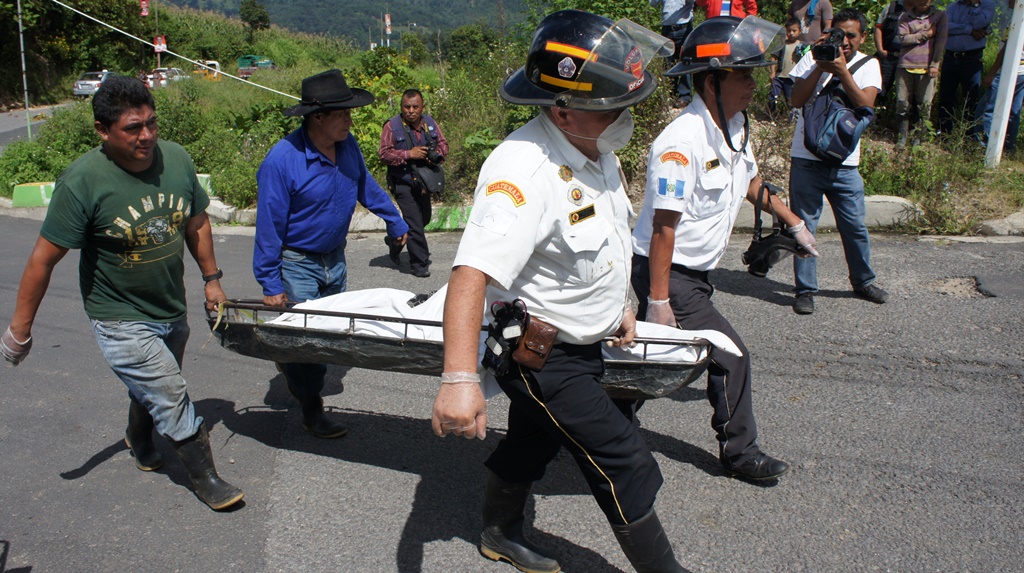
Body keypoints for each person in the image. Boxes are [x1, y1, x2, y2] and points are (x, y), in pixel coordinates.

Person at [429, 10, 688, 573]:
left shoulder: (595, 150)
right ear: (563, 109)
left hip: (579, 345)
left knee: (534, 438)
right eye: (614, 107)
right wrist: (458, 381)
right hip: (540, 354)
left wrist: (621, 304)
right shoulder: (523, 169)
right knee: (624, 461)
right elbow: (469, 275)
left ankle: (499, 532)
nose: (627, 118)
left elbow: (610, 237)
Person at [0, 75, 244, 511]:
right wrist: (20, 329)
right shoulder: (83, 182)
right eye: (133, 128)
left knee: (152, 384)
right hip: (118, 313)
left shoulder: (177, 160)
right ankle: (205, 476)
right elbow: (42, 259)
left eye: (151, 123)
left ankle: (138, 434)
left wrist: (212, 278)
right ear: (102, 130)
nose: (147, 136)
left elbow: (197, 222)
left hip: (169, 307)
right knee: (168, 388)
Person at [632, 16, 813, 485]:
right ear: (711, 81)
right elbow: (663, 227)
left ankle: (602, 416)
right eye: (743, 74)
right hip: (666, 270)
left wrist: (793, 222)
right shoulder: (680, 143)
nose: (754, 83)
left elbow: (751, 183)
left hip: (692, 275)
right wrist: (658, 300)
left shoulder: (734, 128)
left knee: (657, 359)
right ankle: (740, 451)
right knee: (730, 355)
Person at [254, 69, 409, 438]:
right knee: (311, 341)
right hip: (297, 263)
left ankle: (291, 359)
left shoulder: (347, 145)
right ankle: (312, 410)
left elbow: (364, 186)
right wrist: (270, 282)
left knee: (328, 334)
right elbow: (269, 226)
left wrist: (394, 220)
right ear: (317, 117)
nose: (349, 120)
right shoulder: (282, 160)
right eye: (342, 114)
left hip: (334, 259)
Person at [789, 8, 888, 315]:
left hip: (845, 163)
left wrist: (843, 71)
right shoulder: (812, 57)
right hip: (806, 158)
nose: (843, 41)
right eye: (838, 34)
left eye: (851, 36)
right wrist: (820, 65)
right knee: (804, 227)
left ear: (861, 38)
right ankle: (805, 289)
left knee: (855, 226)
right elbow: (796, 99)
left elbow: (866, 105)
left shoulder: (868, 64)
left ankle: (863, 282)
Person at [379, 88, 449, 278]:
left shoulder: (430, 123)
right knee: (415, 224)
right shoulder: (391, 126)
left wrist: (436, 156)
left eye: (415, 107)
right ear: (401, 107)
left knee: (423, 219)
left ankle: (395, 240)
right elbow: (384, 154)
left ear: (422, 107)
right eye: (406, 107)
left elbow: (444, 144)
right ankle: (419, 264)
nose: (410, 110)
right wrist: (409, 154)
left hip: (424, 182)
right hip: (402, 182)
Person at [894, 0, 948, 147]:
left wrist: (935, 64)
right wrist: (928, 34)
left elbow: (940, 42)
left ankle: (919, 138)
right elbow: (903, 38)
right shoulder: (905, 17)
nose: (924, 2)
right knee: (902, 102)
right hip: (906, 65)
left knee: (924, 105)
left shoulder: (940, 16)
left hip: (927, 67)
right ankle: (902, 137)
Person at [936, 0, 994, 136]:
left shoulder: (987, 5)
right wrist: (970, 30)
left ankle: (969, 134)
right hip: (950, 57)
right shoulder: (954, 6)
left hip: (971, 59)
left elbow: (980, 23)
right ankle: (944, 131)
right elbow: (945, 27)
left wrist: (975, 5)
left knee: (971, 97)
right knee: (946, 95)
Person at [976, 39, 1024, 152]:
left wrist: (992, 72)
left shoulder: (1016, 23)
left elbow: (1009, 46)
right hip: (1021, 72)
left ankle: (985, 147)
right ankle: (1008, 146)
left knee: (986, 110)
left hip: (1006, 71)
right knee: (1013, 112)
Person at [650, 0, 697, 107]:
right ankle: (671, 94)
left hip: (683, 27)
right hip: (667, 29)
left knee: (685, 61)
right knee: (668, 63)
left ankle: (684, 96)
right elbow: (652, 3)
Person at [769, 17, 807, 118]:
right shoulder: (782, 45)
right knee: (773, 95)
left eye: (794, 30)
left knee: (791, 100)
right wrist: (772, 72)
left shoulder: (802, 46)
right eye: (789, 31)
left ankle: (791, 119)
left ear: (800, 31)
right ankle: (773, 116)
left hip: (793, 79)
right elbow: (773, 58)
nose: (791, 33)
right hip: (780, 76)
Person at [875, 0, 907, 99]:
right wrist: (880, 50)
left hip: (909, 58)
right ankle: (878, 111)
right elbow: (878, 28)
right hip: (889, 55)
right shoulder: (891, 7)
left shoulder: (922, 9)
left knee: (906, 93)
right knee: (881, 89)